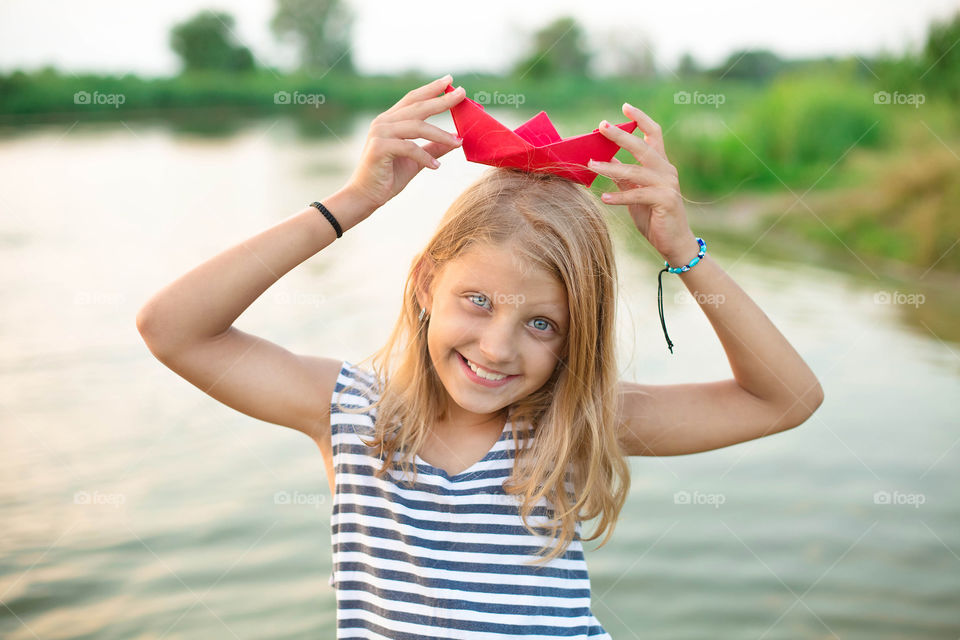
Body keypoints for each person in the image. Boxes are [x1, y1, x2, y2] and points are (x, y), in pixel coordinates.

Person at [136, 74, 824, 638]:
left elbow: (787, 399)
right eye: (478, 301)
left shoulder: (575, 420)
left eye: (543, 324)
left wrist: (683, 251)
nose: (498, 348)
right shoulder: (349, 413)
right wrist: (353, 201)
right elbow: (172, 329)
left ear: (578, 336)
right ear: (426, 283)